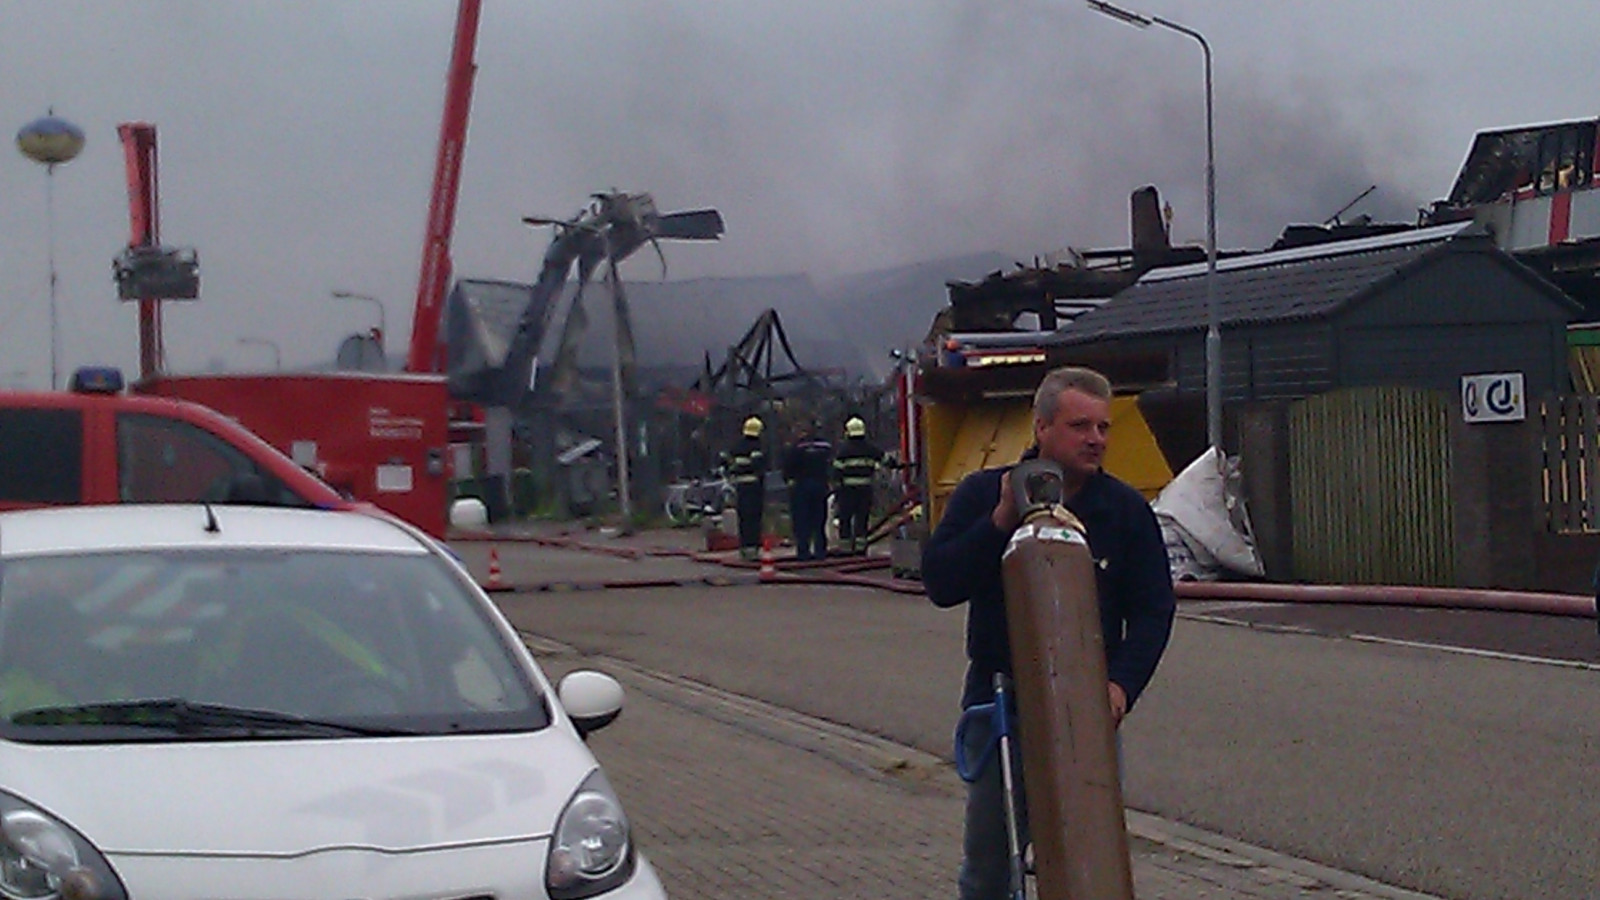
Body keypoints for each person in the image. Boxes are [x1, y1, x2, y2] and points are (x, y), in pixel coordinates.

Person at [921, 365, 1175, 900]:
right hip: (1001, 706)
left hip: (1087, 709)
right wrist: (999, 523)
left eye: (1103, 428)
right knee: (991, 867)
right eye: (1081, 426)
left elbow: (1153, 609)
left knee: (1089, 857)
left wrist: (1121, 687)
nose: (1096, 439)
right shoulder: (982, 495)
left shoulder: (1124, 512)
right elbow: (941, 581)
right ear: (1042, 428)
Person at [832, 416, 885, 555]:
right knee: (862, 519)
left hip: (847, 491)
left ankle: (845, 549)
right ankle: (861, 548)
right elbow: (886, 459)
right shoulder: (870, 448)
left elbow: (836, 472)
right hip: (865, 490)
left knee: (845, 518)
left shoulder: (843, 450)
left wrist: (835, 487)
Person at [783, 421, 834, 561]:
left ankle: (803, 552)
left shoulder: (796, 447)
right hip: (820, 486)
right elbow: (831, 465)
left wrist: (789, 482)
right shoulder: (825, 447)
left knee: (802, 520)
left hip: (802, 488)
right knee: (819, 520)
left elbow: (788, 469)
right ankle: (820, 552)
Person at [723, 416, 768, 561]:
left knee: (743, 517)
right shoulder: (757, 446)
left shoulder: (736, 446)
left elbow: (727, 463)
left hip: (740, 486)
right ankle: (752, 548)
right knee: (754, 517)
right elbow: (759, 466)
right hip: (754, 486)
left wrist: (732, 473)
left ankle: (744, 547)